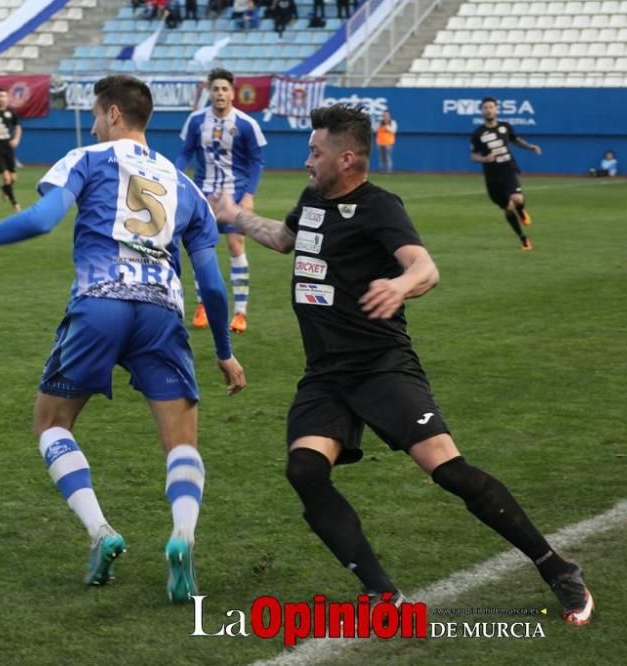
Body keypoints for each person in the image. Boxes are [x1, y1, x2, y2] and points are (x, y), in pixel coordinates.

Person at [209, 103, 593, 626]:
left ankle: (559, 568)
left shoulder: (379, 206)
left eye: (314, 152)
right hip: (326, 372)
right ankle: (381, 591)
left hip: (381, 365)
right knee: (304, 469)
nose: (306, 161)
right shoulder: (314, 201)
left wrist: (400, 284)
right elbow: (284, 238)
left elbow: (425, 267)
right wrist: (234, 216)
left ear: (346, 159)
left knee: (450, 472)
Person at [0, 75, 246, 602]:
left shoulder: (88, 159)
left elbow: (43, 219)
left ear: (114, 114)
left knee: (51, 422)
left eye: (97, 115)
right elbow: (210, 280)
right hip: (163, 311)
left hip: (100, 303)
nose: (95, 124)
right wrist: (225, 354)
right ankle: (182, 537)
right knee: (181, 441)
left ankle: (101, 531)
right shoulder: (184, 186)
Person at [177, 68, 267, 334]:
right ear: (209, 91)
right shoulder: (195, 121)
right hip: (203, 193)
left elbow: (256, 162)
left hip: (234, 194)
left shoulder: (246, 124)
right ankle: (202, 305)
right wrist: (174, 176)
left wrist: (249, 195)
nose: (220, 93)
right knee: (200, 246)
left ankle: (240, 313)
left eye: (224, 89)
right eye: (215, 89)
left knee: (235, 243)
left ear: (232, 92)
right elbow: (185, 153)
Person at [470, 97, 541, 251]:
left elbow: (515, 140)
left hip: (508, 169)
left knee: (517, 198)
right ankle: (523, 237)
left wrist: (530, 147)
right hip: (492, 176)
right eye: (485, 107)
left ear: (496, 109)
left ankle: (521, 210)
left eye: (491, 107)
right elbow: (473, 155)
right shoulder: (478, 133)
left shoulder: (505, 127)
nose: (488, 110)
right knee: (508, 208)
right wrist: (484, 158)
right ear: (482, 111)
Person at [375, 109, 397, 174]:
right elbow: (376, 129)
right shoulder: (380, 122)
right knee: (381, 158)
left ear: (389, 115)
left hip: (388, 143)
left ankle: (388, 171)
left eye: (387, 115)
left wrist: (386, 126)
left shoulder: (392, 122)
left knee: (388, 157)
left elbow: (393, 130)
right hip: (380, 142)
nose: (385, 116)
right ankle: (381, 170)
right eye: (384, 115)